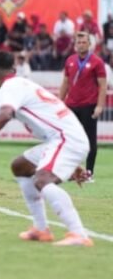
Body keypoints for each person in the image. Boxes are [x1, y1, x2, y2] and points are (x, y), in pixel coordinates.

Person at [0, 50, 94, 247]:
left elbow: (5, 115)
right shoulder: (22, 83)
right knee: (21, 166)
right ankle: (41, 229)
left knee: (42, 180)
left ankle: (79, 234)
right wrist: (71, 161)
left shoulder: (9, 87)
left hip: (65, 139)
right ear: (13, 69)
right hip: (63, 139)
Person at [58, 31, 106, 183]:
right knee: (70, 139)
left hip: (89, 105)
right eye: (78, 43)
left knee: (90, 140)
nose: (81, 45)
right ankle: (73, 172)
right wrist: (59, 102)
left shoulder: (97, 62)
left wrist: (99, 106)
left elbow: (103, 86)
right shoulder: (70, 60)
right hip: (71, 105)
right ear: (75, 45)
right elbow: (65, 82)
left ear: (89, 44)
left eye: (84, 42)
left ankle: (89, 173)